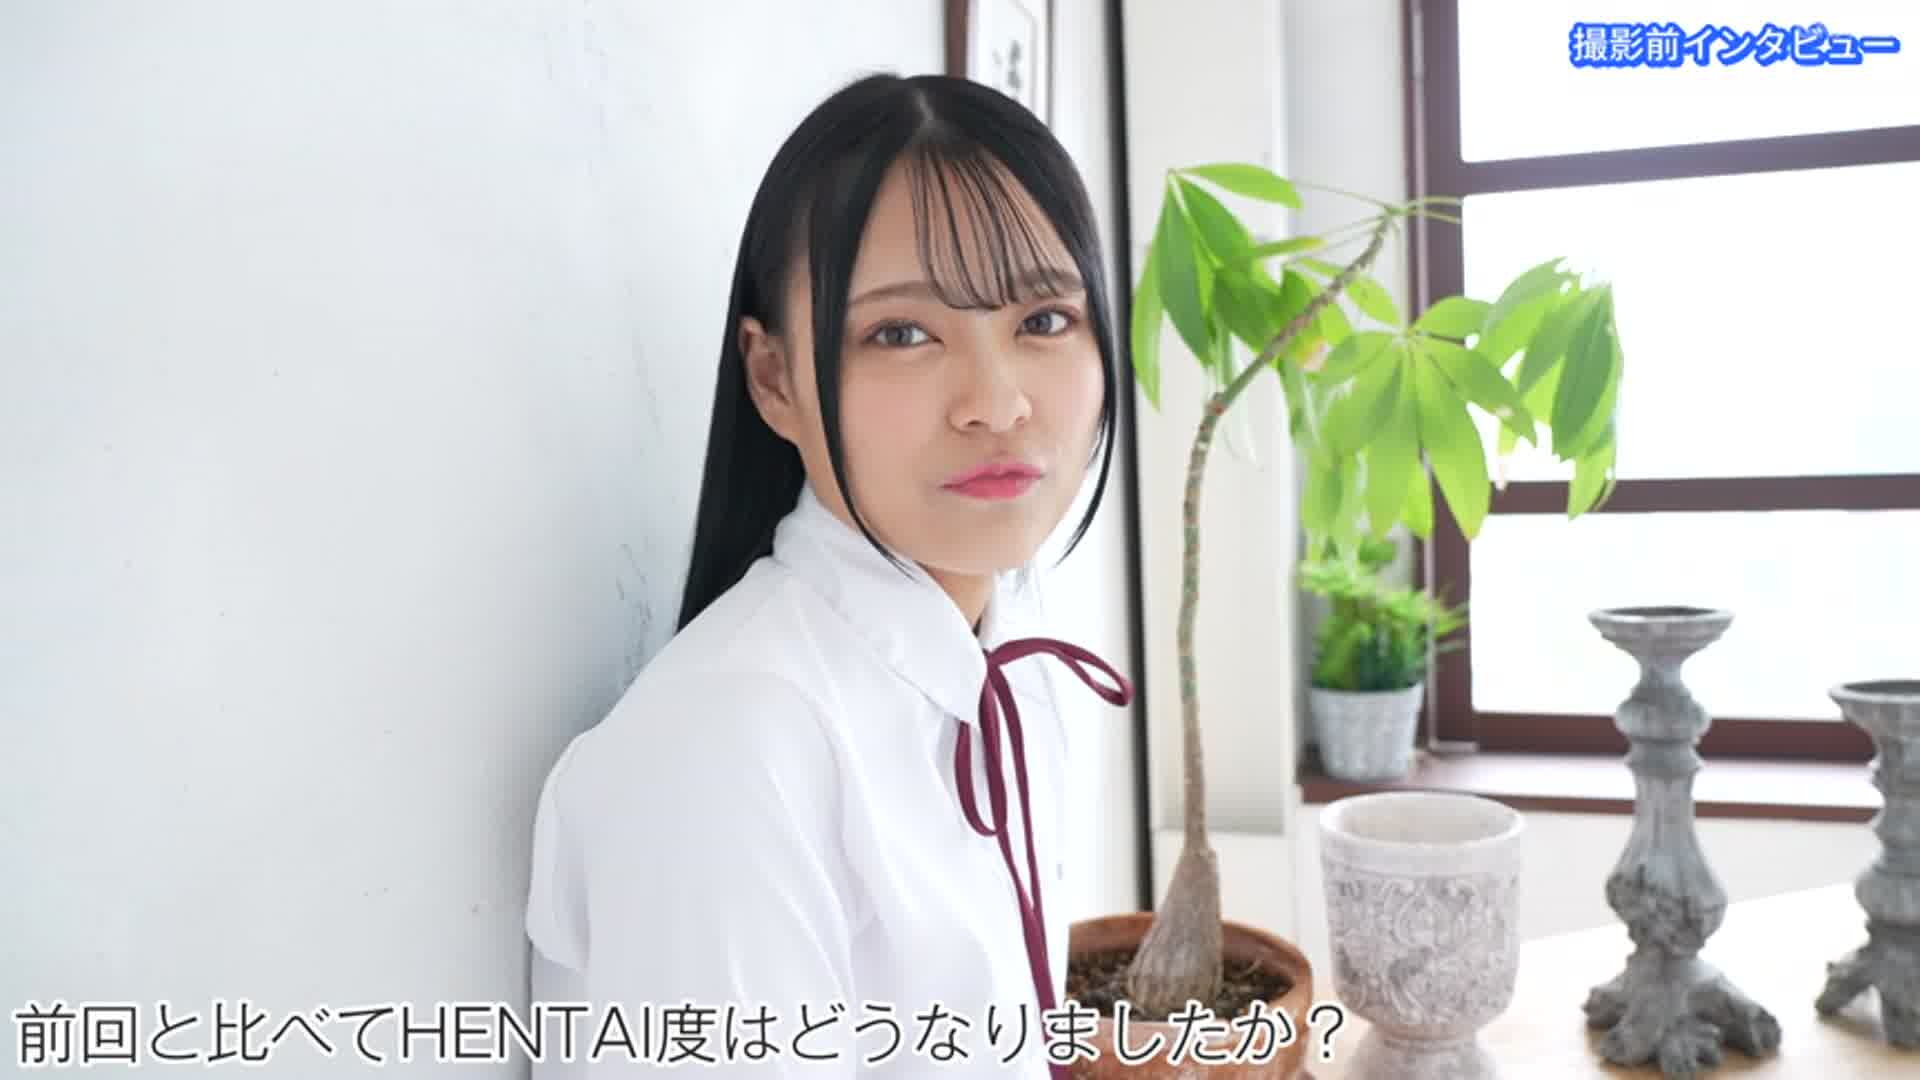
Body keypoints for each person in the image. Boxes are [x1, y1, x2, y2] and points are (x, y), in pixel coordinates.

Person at [523, 71, 1134, 1077]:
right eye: (902, 333)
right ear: (774, 378)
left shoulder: (1009, 661)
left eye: (1043, 321)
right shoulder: (731, 744)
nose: (996, 402)